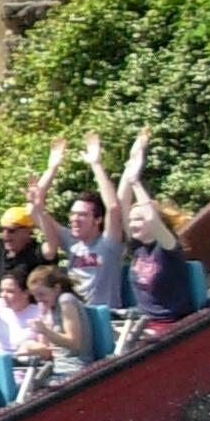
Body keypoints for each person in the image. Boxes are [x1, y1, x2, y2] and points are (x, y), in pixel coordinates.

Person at [32, 134, 130, 311]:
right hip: (77, 315)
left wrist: (96, 164)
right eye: (73, 214)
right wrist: (52, 168)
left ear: (98, 219)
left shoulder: (108, 244)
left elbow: (114, 208)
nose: (74, 219)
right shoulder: (71, 242)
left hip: (105, 317)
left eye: (82, 215)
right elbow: (35, 210)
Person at [114, 130, 199, 331]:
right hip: (145, 322)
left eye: (138, 220)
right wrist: (131, 161)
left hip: (170, 323)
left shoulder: (167, 246)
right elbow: (121, 201)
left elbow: (151, 216)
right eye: (132, 220)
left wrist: (136, 182)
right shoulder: (137, 246)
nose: (133, 224)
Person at [21, 263, 93, 392]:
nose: (39, 300)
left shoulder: (66, 300)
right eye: (35, 296)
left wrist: (45, 331)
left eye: (42, 294)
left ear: (56, 288)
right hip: (57, 367)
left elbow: (74, 343)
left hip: (74, 368)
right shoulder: (52, 307)